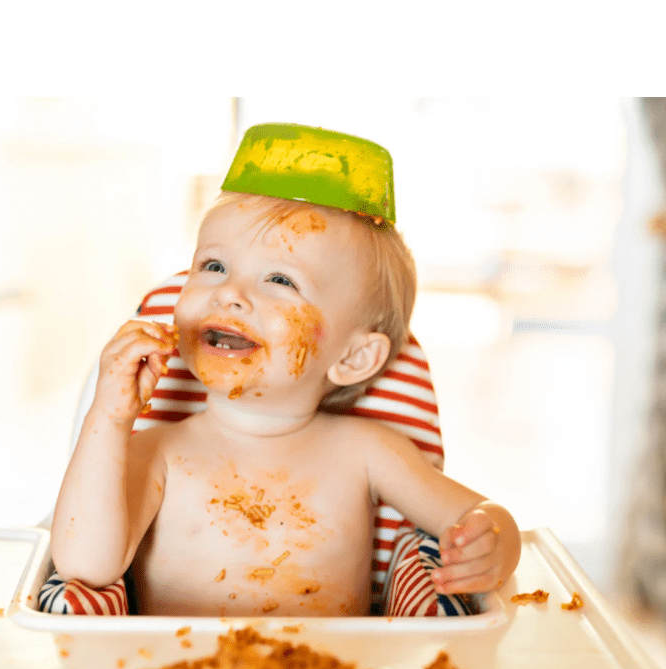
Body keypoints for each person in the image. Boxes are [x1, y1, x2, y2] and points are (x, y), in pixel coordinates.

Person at [50, 173, 521, 618]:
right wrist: (109, 418)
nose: (229, 293)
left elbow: (472, 516)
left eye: (280, 280)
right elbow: (84, 568)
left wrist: (494, 543)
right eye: (213, 266)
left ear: (354, 357)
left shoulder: (369, 451)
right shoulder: (157, 452)